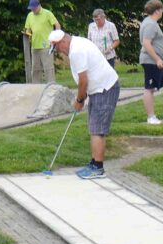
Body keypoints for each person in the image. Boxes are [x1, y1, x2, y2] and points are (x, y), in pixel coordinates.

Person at [48, 30, 121, 179]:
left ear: (62, 42)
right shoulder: (77, 43)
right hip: (98, 89)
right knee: (94, 127)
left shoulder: (76, 51)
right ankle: (94, 162)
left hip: (104, 88)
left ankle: (98, 168)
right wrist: (83, 95)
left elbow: (83, 81)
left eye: (57, 48)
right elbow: (85, 79)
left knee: (97, 129)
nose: (58, 52)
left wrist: (79, 100)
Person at [23, 0, 60, 83]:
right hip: (35, 46)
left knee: (48, 69)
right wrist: (26, 33)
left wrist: (56, 39)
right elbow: (27, 29)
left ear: (39, 6)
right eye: (31, 8)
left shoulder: (47, 13)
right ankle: (36, 88)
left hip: (47, 45)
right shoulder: (29, 16)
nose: (33, 10)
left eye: (34, 8)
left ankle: (51, 86)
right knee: (35, 70)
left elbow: (57, 25)